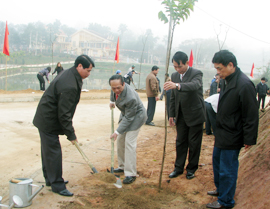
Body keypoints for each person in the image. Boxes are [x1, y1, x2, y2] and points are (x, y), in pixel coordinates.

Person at [33, 55, 95, 197]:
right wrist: (71, 135)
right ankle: (57, 185)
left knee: (48, 151)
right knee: (53, 152)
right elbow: (64, 114)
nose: (89, 74)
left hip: (47, 117)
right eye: (88, 70)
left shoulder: (71, 74)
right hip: (47, 120)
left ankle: (50, 179)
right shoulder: (69, 85)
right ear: (79, 66)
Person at [206, 50, 258, 209]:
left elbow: (251, 115)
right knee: (217, 163)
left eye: (220, 68)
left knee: (227, 169)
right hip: (222, 133)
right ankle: (221, 190)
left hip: (233, 134)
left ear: (231, 65)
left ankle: (226, 201)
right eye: (216, 69)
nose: (218, 72)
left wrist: (249, 139)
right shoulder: (226, 79)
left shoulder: (244, 85)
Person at [164, 51, 205, 180]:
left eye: (179, 66)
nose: (177, 69)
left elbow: (194, 85)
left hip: (195, 114)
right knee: (180, 142)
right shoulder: (175, 75)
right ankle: (178, 168)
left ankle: (191, 168)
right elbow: (173, 97)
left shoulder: (196, 73)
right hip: (180, 115)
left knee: (194, 143)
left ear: (187, 63)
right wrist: (171, 114)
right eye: (175, 67)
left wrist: (177, 85)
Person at [109, 74, 147, 184]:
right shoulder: (115, 87)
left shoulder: (130, 97)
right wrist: (112, 100)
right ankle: (122, 166)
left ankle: (131, 173)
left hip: (136, 117)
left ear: (124, 84)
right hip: (127, 115)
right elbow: (113, 92)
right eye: (113, 88)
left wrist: (117, 131)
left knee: (129, 142)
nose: (116, 90)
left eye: (118, 88)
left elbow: (130, 117)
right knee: (120, 140)